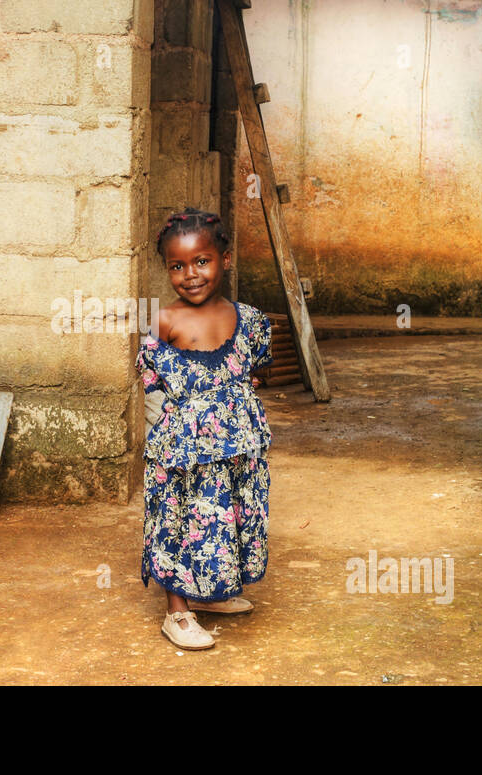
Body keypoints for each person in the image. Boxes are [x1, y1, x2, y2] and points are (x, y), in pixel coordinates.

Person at [135, 206, 273, 650]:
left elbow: (256, 371)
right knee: (180, 521)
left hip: (234, 451)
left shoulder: (248, 320)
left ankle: (209, 595)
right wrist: (170, 443)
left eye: (201, 261)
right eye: (177, 266)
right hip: (182, 453)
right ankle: (177, 613)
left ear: (224, 260)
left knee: (226, 518)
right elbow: (152, 389)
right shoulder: (165, 321)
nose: (190, 274)